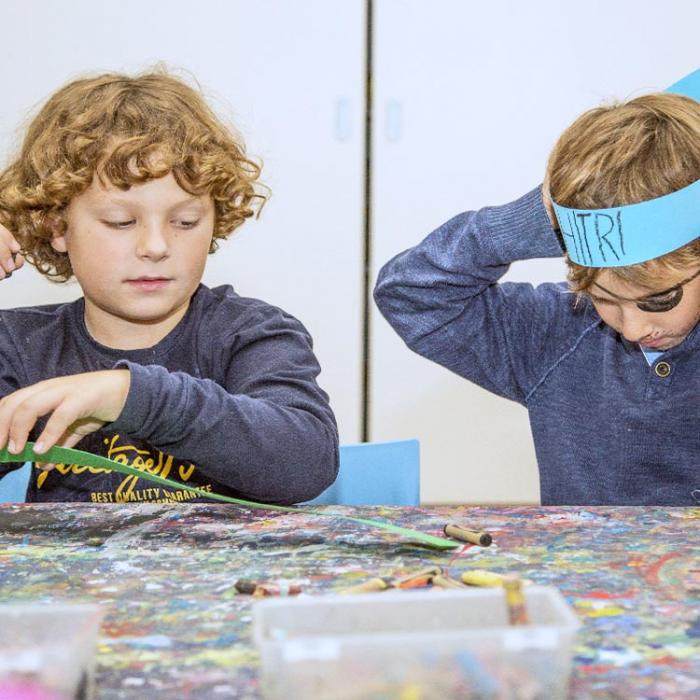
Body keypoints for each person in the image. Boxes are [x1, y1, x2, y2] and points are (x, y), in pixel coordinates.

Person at [0, 69, 338, 504]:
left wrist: (129, 396)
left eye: (185, 222)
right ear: (56, 226)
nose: (156, 246)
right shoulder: (18, 345)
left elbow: (305, 463)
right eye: (121, 222)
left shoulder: (251, 333)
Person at [374, 89, 700, 506]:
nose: (633, 328)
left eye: (658, 300)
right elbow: (411, 294)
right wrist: (539, 219)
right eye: (603, 298)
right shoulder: (555, 333)